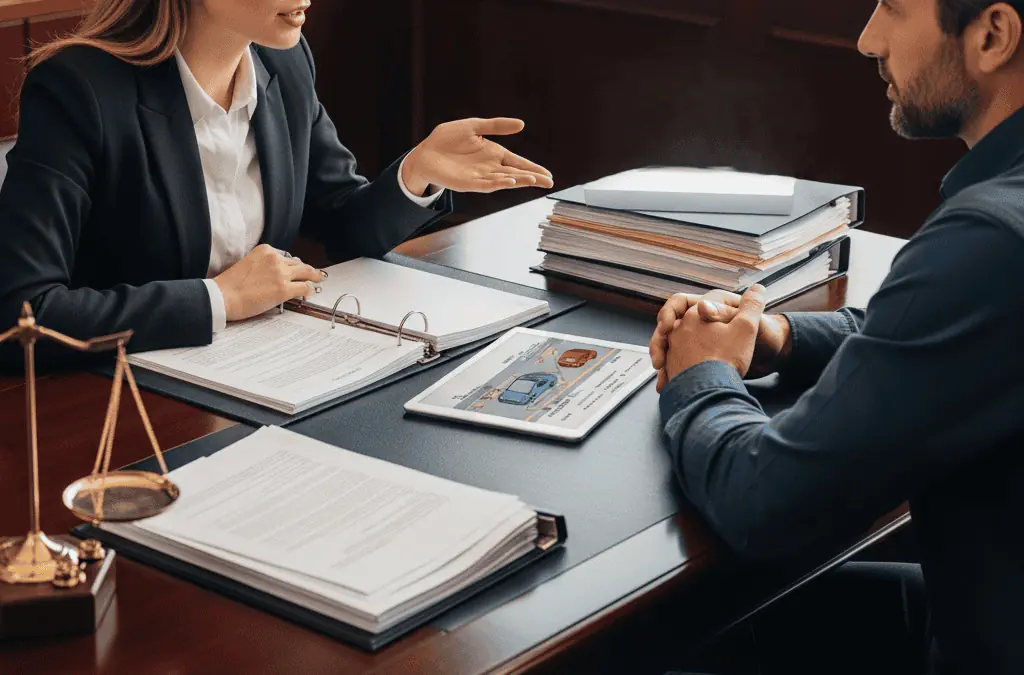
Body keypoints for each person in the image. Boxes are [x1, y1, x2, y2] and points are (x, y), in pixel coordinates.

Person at [651, 0, 1024, 673]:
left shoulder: (991, 242)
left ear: (993, 35)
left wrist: (700, 375)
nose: (867, 40)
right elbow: (939, 327)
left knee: (648, 643)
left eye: (893, 8)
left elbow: (763, 501)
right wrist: (780, 337)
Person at [0, 0, 554, 369]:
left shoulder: (283, 65)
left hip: (262, 373)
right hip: (122, 404)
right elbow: (22, 315)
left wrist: (417, 173)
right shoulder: (79, 89)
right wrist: (221, 299)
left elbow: (342, 220)